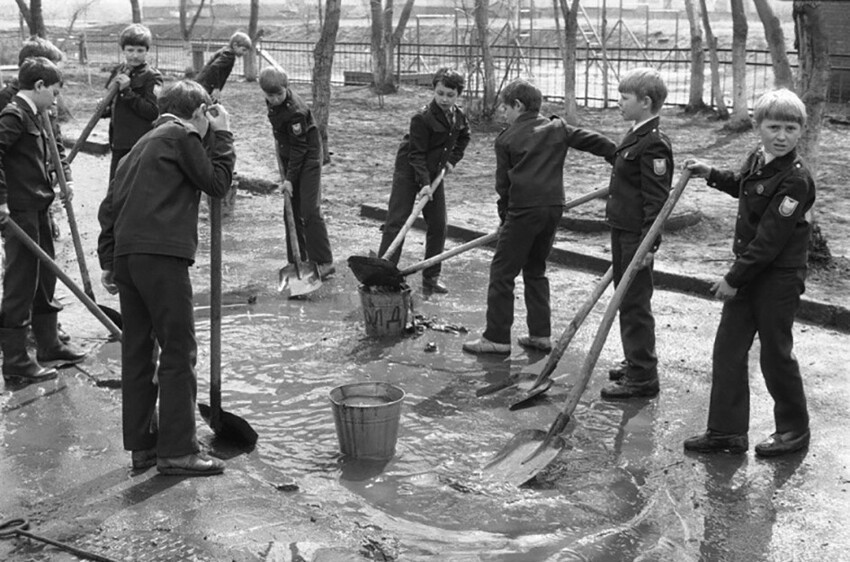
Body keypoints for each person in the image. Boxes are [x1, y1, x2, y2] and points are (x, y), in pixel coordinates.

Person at [97, 80, 235, 475]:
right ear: (198, 112)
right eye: (207, 116)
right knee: (178, 349)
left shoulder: (141, 144)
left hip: (128, 257)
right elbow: (217, 184)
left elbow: (109, 208)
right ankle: (177, 451)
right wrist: (222, 134)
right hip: (162, 256)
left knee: (138, 350)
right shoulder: (181, 134)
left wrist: (109, 260)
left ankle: (143, 446)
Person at [683, 88, 814, 457]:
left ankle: (793, 429)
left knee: (775, 353)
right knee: (728, 350)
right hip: (750, 270)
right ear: (758, 127)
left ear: (801, 131)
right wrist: (711, 174)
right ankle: (726, 432)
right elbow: (746, 187)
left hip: (778, 277)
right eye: (774, 126)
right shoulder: (759, 158)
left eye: (791, 128)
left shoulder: (795, 179)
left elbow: (770, 241)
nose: (782, 136)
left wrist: (732, 279)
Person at [463, 79, 616, 355]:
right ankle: (540, 335)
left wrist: (504, 219)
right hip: (553, 209)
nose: (504, 114)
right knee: (535, 269)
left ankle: (496, 338)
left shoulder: (506, 139)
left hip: (522, 211)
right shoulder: (557, 127)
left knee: (502, 273)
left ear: (518, 106)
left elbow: (504, 187)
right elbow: (594, 141)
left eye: (506, 109)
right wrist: (619, 158)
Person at [0, 57, 86, 385]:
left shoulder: (37, 114)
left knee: (45, 277)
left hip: (38, 206)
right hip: (19, 212)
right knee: (21, 285)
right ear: (38, 86)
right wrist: (2, 200)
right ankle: (18, 363)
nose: (56, 98)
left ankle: (49, 345)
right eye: (54, 91)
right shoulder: (14, 115)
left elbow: (45, 155)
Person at [599, 67, 673, 400]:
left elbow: (656, 201)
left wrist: (648, 245)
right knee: (625, 299)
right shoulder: (636, 133)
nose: (619, 102)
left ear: (645, 102)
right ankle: (635, 360)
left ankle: (643, 377)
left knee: (634, 303)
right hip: (622, 229)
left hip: (636, 237)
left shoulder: (654, 143)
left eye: (624, 97)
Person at [377, 67, 471, 294]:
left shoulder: (458, 116)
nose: (444, 99)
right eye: (440, 93)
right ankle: (382, 276)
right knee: (397, 222)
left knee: (438, 224)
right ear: (434, 90)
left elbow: (464, 136)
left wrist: (452, 161)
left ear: (458, 94)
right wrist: (424, 184)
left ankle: (431, 276)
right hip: (410, 170)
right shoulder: (422, 117)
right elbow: (416, 154)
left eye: (450, 95)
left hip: (435, 171)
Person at [259, 66, 334, 279]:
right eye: (269, 96)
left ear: (287, 88)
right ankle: (298, 260)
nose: (274, 99)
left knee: (309, 210)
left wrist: (290, 179)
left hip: (307, 155)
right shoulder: (274, 101)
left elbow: (300, 148)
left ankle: (324, 261)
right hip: (289, 152)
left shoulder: (296, 112)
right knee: (289, 211)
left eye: (278, 95)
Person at [0, 36, 68, 244]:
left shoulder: (41, 104)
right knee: (23, 265)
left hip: (39, 193)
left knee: (43, 265)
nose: (55, 99)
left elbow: (54, 140)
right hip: (19, 198)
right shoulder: (13, 107)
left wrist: (64, 173)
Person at [102, 23, 162, 182]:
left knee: (134, 190)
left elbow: (152, 112)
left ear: (147, 51)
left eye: (140, 51)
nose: (134, 56)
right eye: (130, 50)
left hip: (139, 144)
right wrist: (104, 109)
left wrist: (128, 91)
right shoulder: (118, 71)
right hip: (118, 140)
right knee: (114, 189)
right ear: (123, 50)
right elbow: (113, 103)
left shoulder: (152, 77)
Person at [195, 31, 252, 102]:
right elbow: (214, 67)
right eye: (244, 50)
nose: (245, 53)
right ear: (235, 45)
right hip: (206, 87)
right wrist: (216, 87)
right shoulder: (229, 56)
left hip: (202, 84)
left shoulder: (225, 50)